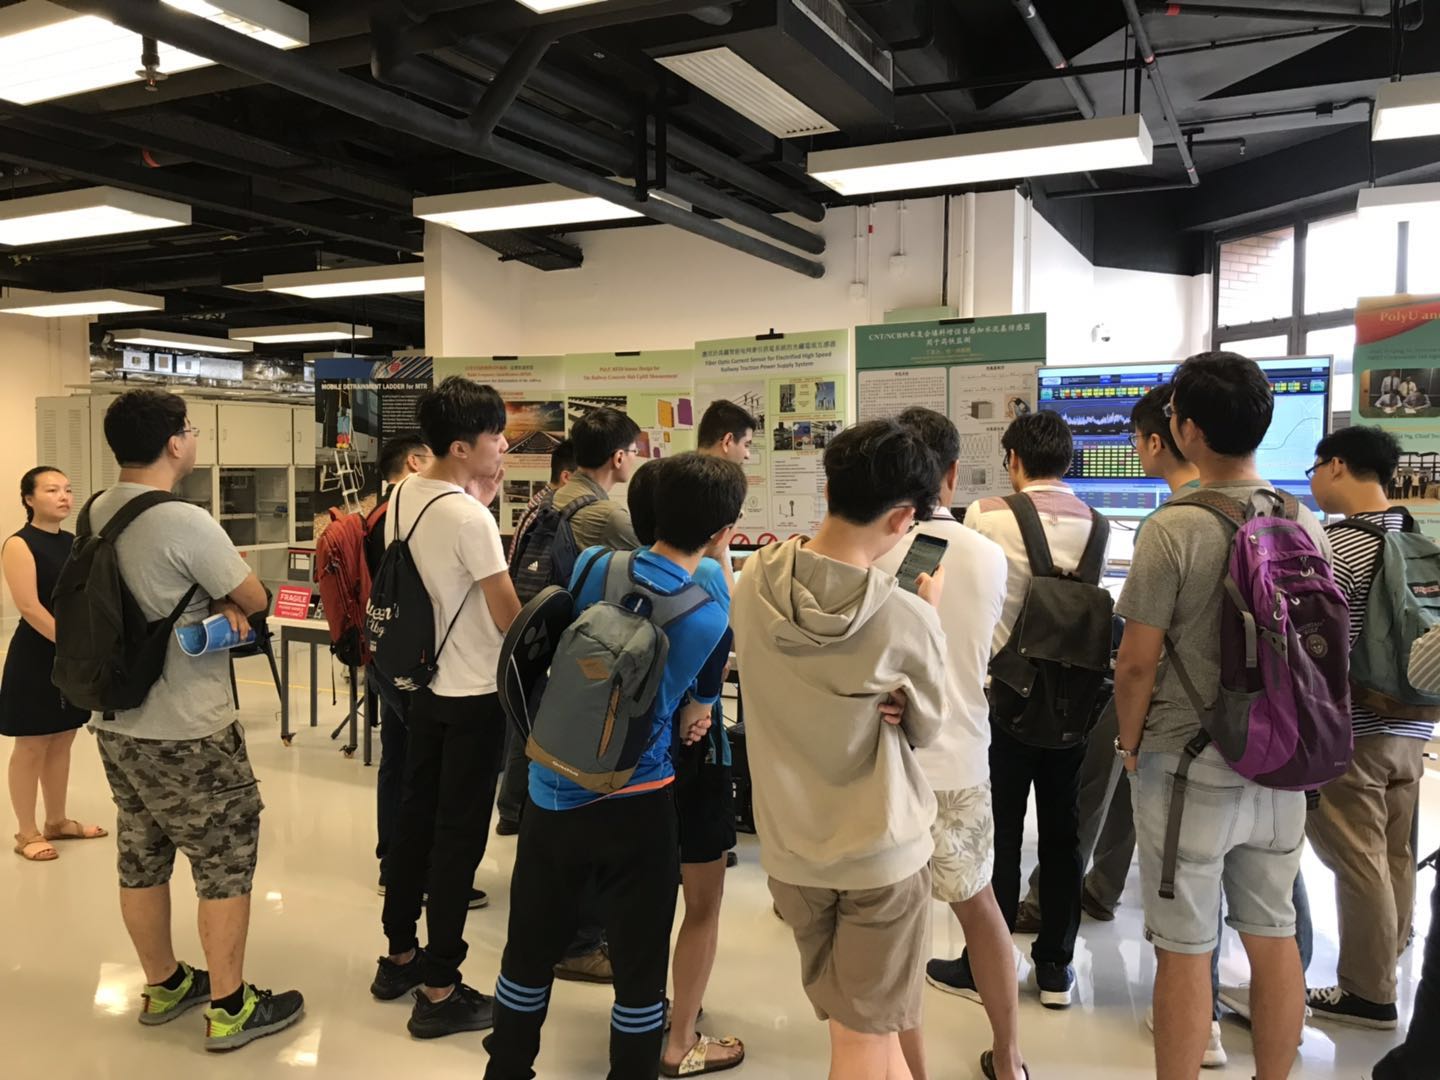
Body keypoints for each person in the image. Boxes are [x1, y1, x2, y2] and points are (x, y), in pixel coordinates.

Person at [483, 452, 743, 1080]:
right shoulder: (709, 616)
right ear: (721, 530)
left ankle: (508, 1068)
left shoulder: (598, 564)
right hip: (636, 803)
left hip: (551, 789)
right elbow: (693, 717)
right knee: (639, 970)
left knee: (527, 953)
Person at [1114, 352, 1325, 1080]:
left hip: (1187, 764)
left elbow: (1137, 660)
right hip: (1285, 761)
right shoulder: (1306, 520)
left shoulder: (1172, 528)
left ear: (1189, 430)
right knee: (1274, 933)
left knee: (1184, 944)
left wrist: (1130, 744)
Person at [733, 419, 950, 1080]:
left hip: (792, 852)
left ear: (826, 485)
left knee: (862, 1025)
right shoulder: (906, 616)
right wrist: (928, 619)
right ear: (903, 518)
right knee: (862, 1039)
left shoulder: (752, 585)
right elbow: (928, 726)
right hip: (877, 855)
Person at [85, 389, 302, 1050]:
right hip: (190, 728)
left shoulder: (96, 510)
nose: (196, 441)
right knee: (224, 862)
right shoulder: (184, 520)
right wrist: (225, 608)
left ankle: (165, 982)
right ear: (175, 442)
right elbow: (255, 596)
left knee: (140, 852)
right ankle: (232, 1007)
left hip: (117, 720)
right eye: (192, 431)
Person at [875, 409, 1026, 1080]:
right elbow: (989, 643)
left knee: (892, 928)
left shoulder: (869, 552)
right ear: (952, 475)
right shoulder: (989, 555)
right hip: (963, 755)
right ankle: (1012, 1058)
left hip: (887, 767)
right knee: (981, 906)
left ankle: (912, 1070)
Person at [1016, 384, 1200, 933]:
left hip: (1156, 684)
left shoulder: (1166, 524)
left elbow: (1143, 645)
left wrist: (1126, 697)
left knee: (1091, 784)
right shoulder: (1269, 510)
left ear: (1157, 441)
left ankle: (1047, 900)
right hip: (1212, 704)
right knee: (1128, 788)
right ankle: (1102, 888)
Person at [370, 377, 521, 1039]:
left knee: (414, 814)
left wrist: (477, 497)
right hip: (472, 695)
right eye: (495, 439)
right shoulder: (470, 518)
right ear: (461, 445)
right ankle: (439, 986)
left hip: (420, 687)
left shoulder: (404, 493)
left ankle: (400, 954)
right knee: (459, 839)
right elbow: (506, 613)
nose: (503, 448)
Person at [963, 410, 1099, 1011]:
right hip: (1074, 699)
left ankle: (985, 962)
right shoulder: (1101, 524)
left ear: (1013, 460)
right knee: (1064, 832)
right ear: (1068, 461)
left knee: (1001, 827)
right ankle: (1055, 967)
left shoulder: (988, 515)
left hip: (1005, 691)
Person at [1306, 425, 1426, 1030]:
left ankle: (1366, 992)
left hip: (1357, 731)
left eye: (1314, 468)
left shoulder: (1340, 548)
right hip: (1415, 727)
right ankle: (1389, 956)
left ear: (1336, 468)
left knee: (1358, 857)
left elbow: (1322, 653)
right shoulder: (1418, 538)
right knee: (1395, 854)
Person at [663, 407, 757, 1075]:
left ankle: (646, 1015)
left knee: (643, 895)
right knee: (702, 903)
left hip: (634, 763)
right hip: (696, 755)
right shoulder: (713, 589)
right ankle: (679, 1040)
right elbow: (720, 657)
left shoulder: (623, 571)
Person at [3, 466, 103, 863]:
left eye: (67, 489)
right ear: (28, 498)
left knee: (63, 736)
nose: (63, 497)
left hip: (73, 652)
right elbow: (29, 607)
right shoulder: (19, 544)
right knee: (31, 743)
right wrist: (72, 643)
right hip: (36, 653)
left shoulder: (75, 542)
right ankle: (26, 831)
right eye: (51, 490)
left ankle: (57, 820)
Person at [496, 437, 577, 838]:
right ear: (566, 476)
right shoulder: (555, 512)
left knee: (524, 718)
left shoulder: (537, 508)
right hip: (539, 628)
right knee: (530, 720)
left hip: (529, 626)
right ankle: (515, 807)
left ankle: (513, 806)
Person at [368, 432, 435, 894]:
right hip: (410, 662)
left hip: (384, 654)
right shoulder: (400, 516)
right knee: (415, 766)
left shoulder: (377, 514)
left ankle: (393, 861)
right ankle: (406, 869)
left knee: (396, 761)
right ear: (414, 463)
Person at [551, 407, 643, 553]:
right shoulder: (610, 517)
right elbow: (661, 563)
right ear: (619, 457)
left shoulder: (556, 494)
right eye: (634, 451)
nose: (635, 456)